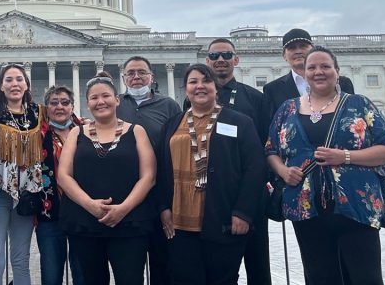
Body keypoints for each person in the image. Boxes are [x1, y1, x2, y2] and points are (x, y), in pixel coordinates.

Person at [266, 46, 385, 285]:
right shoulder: (288, 109)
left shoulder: (359, 105)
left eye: (325, 66)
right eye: (312, 67)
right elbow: (271, 149)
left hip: (357, 205)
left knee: (365, 277)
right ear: (304, 74)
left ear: (337, 72)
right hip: (307, 208)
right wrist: (283, 171)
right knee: (319, 277)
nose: (319, 72)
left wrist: (345, 156)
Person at [157, 64, 264, 284]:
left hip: (223, 217)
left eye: (206, 81)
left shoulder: (239, 122)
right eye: (193, 82)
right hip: (180, 220)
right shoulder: (172, 124)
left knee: (222, 279)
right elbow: (161, 168)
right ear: (185, 88)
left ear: (215, 87)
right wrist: (163, 207)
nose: (199, 86)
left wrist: (243, 212)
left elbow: (255, 169)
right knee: (185, 278)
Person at [59, 72, 156, 285]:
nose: (100, 102)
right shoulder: (77, 133)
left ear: (117, 99)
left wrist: (123, 209)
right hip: (85, 222)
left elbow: (148, 176)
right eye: (94, 98)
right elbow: (64, 176)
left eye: (106, 96)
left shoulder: (136, 131)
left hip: (130, 222)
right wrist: (90, 205)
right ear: (87, 103)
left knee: (130, 279)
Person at [200, 39, 271, 285]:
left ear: (236, 60)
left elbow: (265, 147)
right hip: (214, 195)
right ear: (207, 60)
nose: (221, 59)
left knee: (258, 262)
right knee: (219, 265)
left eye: (227, 55)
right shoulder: (195, 99)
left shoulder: (255, 98)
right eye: (215, 55)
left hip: (250, 192)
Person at [116, 55, 182, 284]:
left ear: (151, 77)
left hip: (161, 192)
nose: (136, 77)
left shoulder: (170, 106)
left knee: (163, 260)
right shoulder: (115, 104)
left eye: (142, 72)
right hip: (126, 193)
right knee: (129, 264)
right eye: (131, 73)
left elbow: (179, 145)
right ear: (123, 77)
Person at [0, 63, 45, 285]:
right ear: (1, 85)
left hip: (27, 195)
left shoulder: (38, 112)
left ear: (27, 84)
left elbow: (65, 124)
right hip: (0, 194)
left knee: (21, 258)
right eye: (8, 79)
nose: (14, 84)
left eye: (19, 79)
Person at [37, 85, 84, 285]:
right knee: (51, 274)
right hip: (49, 213)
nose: (60, 107)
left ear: (72, 107)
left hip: (82, 212)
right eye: (54, 103)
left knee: (83, 272)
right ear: (46, 107)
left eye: (65, 102)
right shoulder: (38, 135)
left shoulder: (86, 134)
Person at [263, 28, 355, 124]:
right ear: (284, 56)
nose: (298, 51)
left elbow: (353, 118)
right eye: (292, 48)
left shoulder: (342, 83)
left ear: (313, 50)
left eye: (303, 46)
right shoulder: (272, 90)